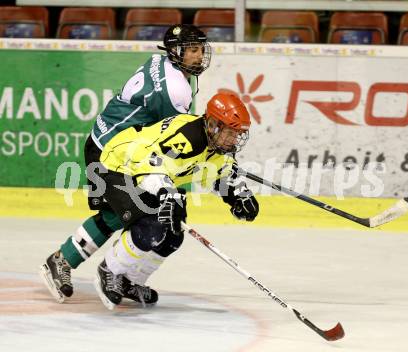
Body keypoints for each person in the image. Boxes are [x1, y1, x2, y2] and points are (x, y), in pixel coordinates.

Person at [39, 24, 212, 305]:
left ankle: (107, 273)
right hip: (111, 151)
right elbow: (174, 142)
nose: (199, 55)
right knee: (128, 213)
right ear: (175, 51)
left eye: (201, 48)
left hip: (120, 146)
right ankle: (64, 261)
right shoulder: (175, 90)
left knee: (123, 213)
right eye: (193, 49)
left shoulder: (163, 63)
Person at [92, 92, 259, 309]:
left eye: (238, 134)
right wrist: (167, 195)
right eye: (230, 132)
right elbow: (149, 164)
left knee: (173, 236)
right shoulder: (188, 137)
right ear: (213, 125)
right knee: (150, 227)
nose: (234, 140)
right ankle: (110, 270)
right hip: (119, 166)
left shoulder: (217, 146)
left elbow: (216, 173)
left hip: (150, 175)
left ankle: (129, 281)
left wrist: (236, 196)